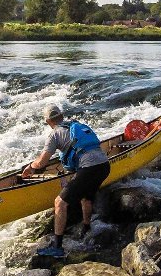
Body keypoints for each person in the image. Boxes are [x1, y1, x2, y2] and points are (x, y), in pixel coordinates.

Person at [21, 104, 111, 258]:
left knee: (60, 203)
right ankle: (86, 226)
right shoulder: (76, 125)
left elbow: (42, 163)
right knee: (86, 196)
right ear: (61, 116)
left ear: (48, 121)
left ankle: (57, 248)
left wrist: (30, 167)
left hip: (89, 168)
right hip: (104, 166)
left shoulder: (54, 134)